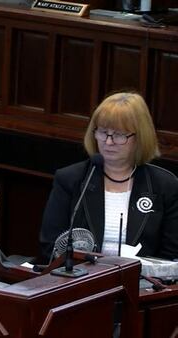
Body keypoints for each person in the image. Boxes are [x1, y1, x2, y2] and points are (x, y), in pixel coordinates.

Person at [40, 92, 178, 262]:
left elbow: (171, 256)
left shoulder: (164, 185)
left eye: (119, 135)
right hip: (81, 280)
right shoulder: (70, 179)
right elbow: (50, 246)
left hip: (141, 283)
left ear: (140, 137)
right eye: (103, 132)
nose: (109, 142)